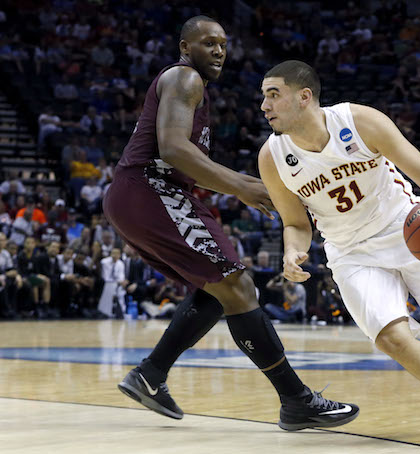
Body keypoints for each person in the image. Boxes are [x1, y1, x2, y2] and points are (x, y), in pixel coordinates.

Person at [257, 60, 420, 452]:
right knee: (392, 340)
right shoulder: (273, 156)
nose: (264, 105)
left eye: (272, 94)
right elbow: (296, 223)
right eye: (263, 96)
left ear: (304, 97)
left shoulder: (360, 121)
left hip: (407, 230)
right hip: (350, 253)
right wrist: (293, 253)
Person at [102, 17, 358, 430]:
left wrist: (238, 187)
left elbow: (190, 164)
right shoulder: (186, 78)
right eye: (208, 43)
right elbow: (172, 150)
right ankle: (296, 400)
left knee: (221, 289)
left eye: (223, 44)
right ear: (186, 47)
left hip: (145, 195)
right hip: (150, 190)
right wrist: (240, 185)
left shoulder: (189, 87)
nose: (219, 51)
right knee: (238, 285)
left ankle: (150, 375)